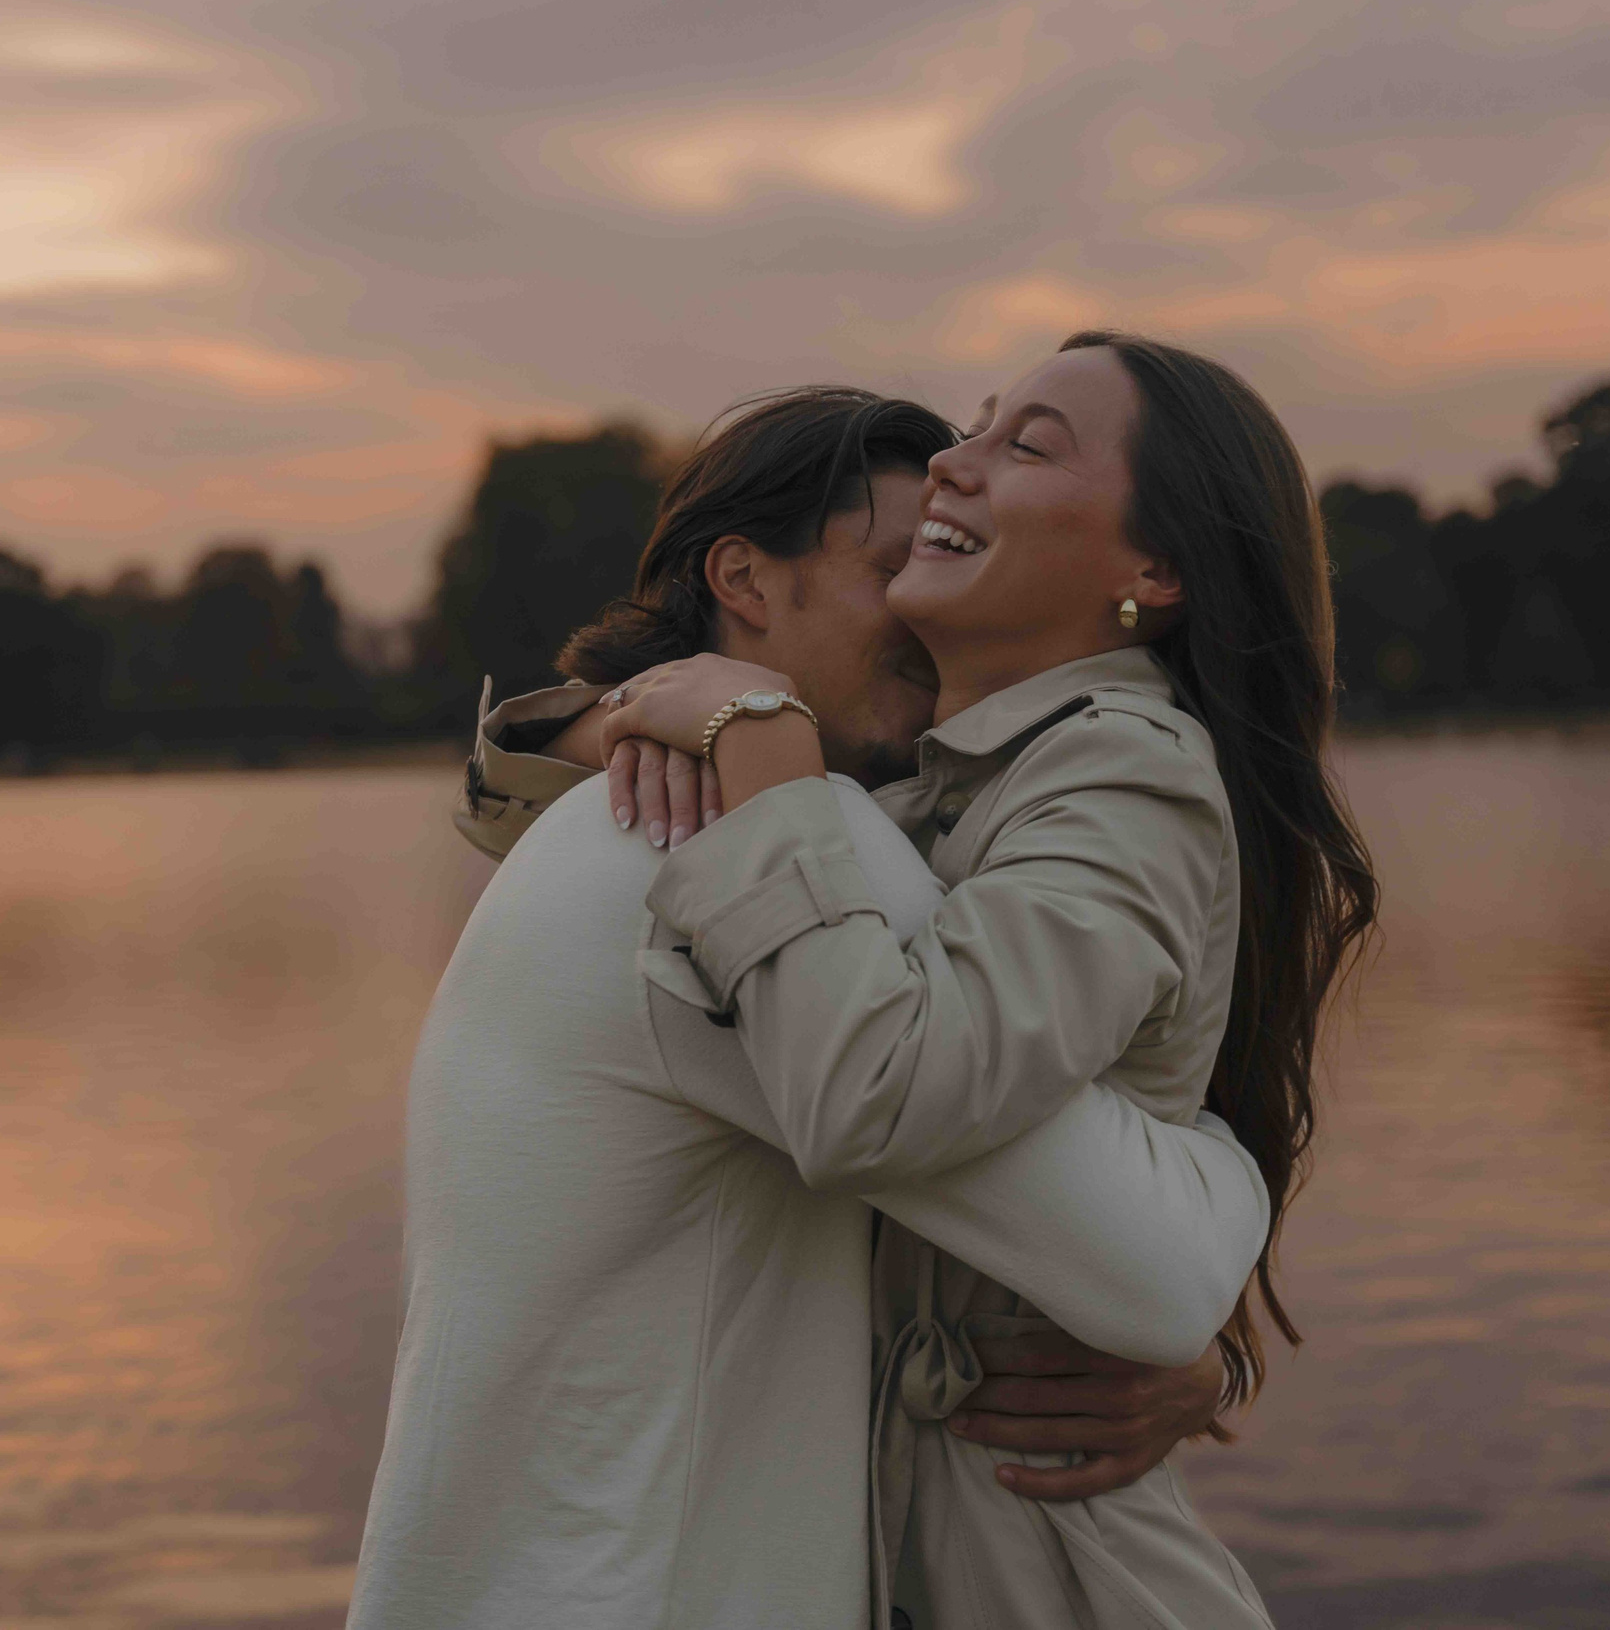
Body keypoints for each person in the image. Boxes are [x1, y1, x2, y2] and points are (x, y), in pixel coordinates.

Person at [347, 389, 1276, 1630]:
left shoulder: (614, 824)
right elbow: (1150, 1268)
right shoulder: (757, 842)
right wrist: (1219, 1174)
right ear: (744, 578)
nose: (918, 607)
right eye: (894, 564)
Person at [594, 336, 1379, 1626]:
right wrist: (654, 720)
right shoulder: (950, 775)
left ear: (1155, 570)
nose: (951, 464)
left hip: (1055, 1576)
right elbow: (509, 784)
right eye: (978, 424)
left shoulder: (1124, 774)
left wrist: (765, 751)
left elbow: (874, 1093)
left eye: (1026, 445)